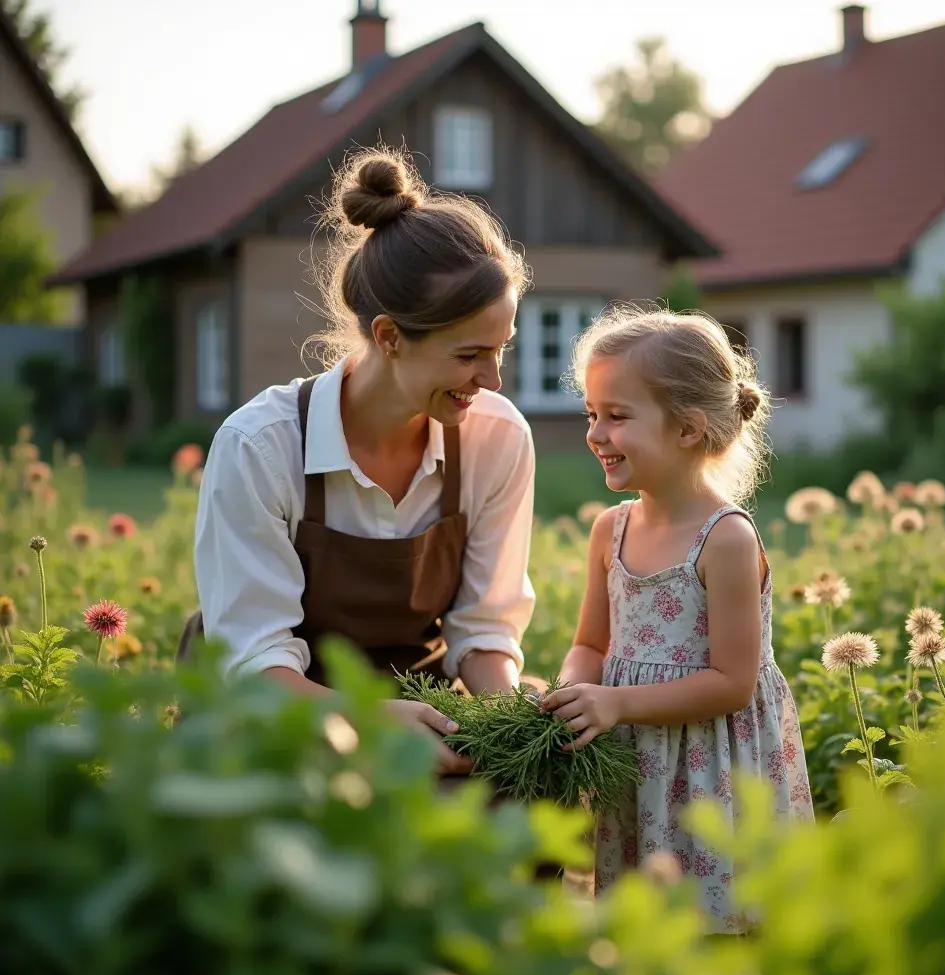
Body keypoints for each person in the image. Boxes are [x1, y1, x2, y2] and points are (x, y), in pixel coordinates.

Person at [181, 147, 538, 776]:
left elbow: (484, 630)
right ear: (389, 337)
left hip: (419, 704)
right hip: (274, 716)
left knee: (524, 800)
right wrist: (369, 721)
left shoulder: (497, 438)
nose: (493, 379)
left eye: (501, 349)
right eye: (469, 356)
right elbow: (253, 662)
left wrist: (512, 725)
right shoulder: (261, 446)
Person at [541, 306, 814, 931]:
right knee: (643, 927)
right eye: (591, 414)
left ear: (688, 429)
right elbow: (590, 644)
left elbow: (732, 683)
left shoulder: (725, 538)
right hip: (638, 767)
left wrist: (616, 703)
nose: (595, 434)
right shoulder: (610, 530)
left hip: (713, 770)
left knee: (721, 927)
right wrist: (572, 693)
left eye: (617, 416)